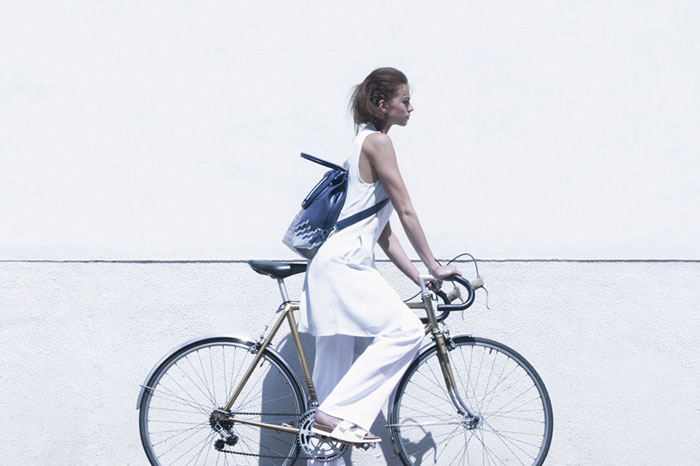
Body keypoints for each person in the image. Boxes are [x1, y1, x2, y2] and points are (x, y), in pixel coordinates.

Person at [298, 67, 460, 464]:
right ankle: (336, 413)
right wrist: (436, 265)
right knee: (407, 331)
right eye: (405, 100)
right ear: (382, 104)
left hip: (333, 264)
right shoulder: (378, 143)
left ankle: (327, 434)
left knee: (332, 379)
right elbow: (405, 209)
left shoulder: (361, 143)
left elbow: (383, 232)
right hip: (345, 266)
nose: (411, 108)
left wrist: (418, 275)